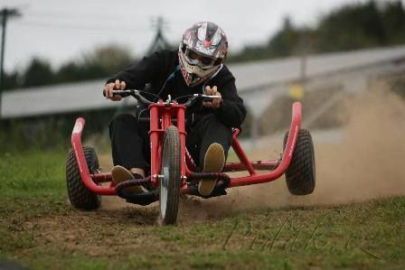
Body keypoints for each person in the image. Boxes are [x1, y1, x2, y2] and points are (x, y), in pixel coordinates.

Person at [104, 21, 246, 196]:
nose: (197, 63)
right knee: (122, 122)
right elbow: (134, 75)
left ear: (217, 61)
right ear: (184, 49)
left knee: (220, 122)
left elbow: (238, 114)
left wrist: (220, 104)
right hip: (149, 136)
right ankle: (135, 178)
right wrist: (117, 84)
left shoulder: (222, 77)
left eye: (206, 60)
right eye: (193, 55)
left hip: (194, 146)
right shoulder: (164, 60)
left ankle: (208, 175)